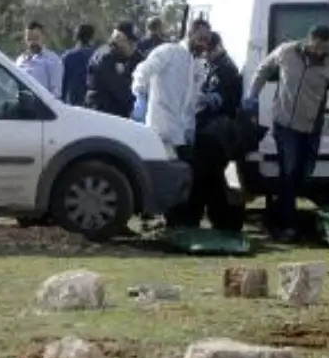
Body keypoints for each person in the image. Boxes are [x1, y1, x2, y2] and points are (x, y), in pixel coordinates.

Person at [243, 25, 329, 242]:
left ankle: (273, 217)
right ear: (311, 40)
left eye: (327, 47)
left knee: (303, 174)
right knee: (289, 172)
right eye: (320, 47)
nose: (322, 52)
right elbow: (263, 69)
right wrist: (252, 95)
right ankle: (288, 226)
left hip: (310, 128)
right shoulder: (287, 52)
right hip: (284, 124)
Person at [172, 31, 247, 232]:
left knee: (209, 180)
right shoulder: (217, 66)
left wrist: (204, 101)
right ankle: (225, 221)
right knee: (223, 181)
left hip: (217, 134)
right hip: (220, 134)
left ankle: (210, 220)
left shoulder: (224, 69)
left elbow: (224, 100)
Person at [132, 20, 211, 168]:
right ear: (190, 33)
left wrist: (191, 126)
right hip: (161, 127)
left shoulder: (197, 64)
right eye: (201, 39)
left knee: (183, 175)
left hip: (182, 132)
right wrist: (140, 96)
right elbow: (142, 72)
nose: (204, 45)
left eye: (207, 41)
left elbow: (191, 99)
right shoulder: (168, 52)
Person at [86, 22, 140, 118]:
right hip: (102, 115)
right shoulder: (105, 57)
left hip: (117, 115)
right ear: (118, 39)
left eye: (135, 43)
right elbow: (119, 89)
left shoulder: (126, 55)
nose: (133, 47)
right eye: (130, 42)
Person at [16, 21, 63, 99]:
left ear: (43, 37)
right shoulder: (20, 60)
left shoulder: (53, 60)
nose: (32, 42)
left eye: (36, 38)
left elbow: (56, 92)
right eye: (29, 39)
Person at [61, 24, 97, 107]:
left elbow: (63, 84)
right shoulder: (96, 56)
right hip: (92, 103)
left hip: (72, 103)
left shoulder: (67, 57)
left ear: (76, 37)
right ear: (91, 37)